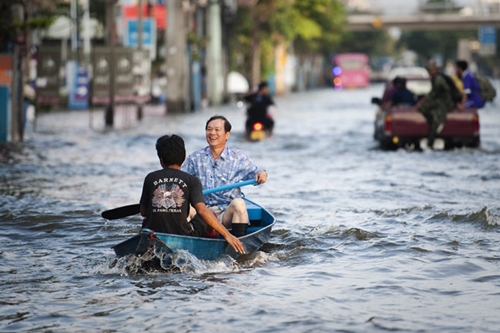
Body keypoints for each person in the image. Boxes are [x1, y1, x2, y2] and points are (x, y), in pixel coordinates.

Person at [139, 134, 245, 254]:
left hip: (154, 233)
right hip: (183, 235)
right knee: (210, 215)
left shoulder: (150, 178)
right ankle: (210, 247)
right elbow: (202, 211)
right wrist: (227, 235)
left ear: (161, 160)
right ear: (183, 157)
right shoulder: (191, 180)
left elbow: (143, 212)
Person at [182, 115, 268, 237]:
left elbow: (256, 172)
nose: (212, 133)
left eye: (217, 130)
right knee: (183, 205)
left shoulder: (238, 157)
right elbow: (181, 181)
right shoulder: (195, 158)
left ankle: (238, 246)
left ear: (227, 134)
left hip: (225, 214)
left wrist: (261, 174)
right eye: (209, 129)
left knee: (239, 203)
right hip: (201, 213)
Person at [415, 60, 455, 149]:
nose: (429, 71)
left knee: (436, 122)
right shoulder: (435, 78)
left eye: (430, 69)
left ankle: (430, 142)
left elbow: (434, 93)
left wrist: (422, 101)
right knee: (424, 108)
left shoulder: (438, 79)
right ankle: (431, 125)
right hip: (439, 101)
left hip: (444, 102)